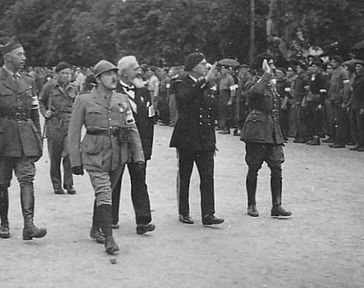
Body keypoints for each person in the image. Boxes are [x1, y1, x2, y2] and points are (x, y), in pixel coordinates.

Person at [68, 60, 145, 254]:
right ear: (98, 78)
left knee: (106, 193)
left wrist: (138, 156)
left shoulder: (121, 99)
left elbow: (132, 128)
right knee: (103, 191)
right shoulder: (84, 100)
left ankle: (96, 229)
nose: (114, 78)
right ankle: (109, 239)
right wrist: (75, 161)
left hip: (118, 154)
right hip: (94, 153)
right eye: (108, 74)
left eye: (115, 74)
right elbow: (74, 131)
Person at [169, 52, 224, 226]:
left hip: (205, 137)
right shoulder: (181, 83)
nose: (206, 67)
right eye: (203, 63)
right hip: (187, 136)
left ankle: (208, 214)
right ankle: (183, 211)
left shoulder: (206, 85)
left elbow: (210, 112)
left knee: (207, 175)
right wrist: (204, 82)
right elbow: (186, 99)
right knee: (185, 175)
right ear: (193, 67)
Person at [0, 37, 47, 240]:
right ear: (7, 56)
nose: (24, 58)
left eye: (24, 54)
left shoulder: (29, 82)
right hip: (3, 138)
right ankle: (4, 222)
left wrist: (38, 137)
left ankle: (29, 225)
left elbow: (35, 113)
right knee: (2, 183)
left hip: (26, 137)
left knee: (27, 179)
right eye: (19, 54)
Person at [240, 54, 292, 218]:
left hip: (272, 130)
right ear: (260, 66)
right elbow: (255, 93)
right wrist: (266, 74)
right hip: (257, 130)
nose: (273, 67)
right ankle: (251, 204)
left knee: (277, 168)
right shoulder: (254, 82)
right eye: (269, 64)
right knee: (254, 167)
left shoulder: (270, 84)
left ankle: (276, 205)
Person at [111, 55, 155, 234]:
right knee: (114, 181)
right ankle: (111, 218)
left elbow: (150, 120)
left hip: (138, 146)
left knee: (140, 181)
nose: (139, 70)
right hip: (119, 144)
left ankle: (143, 221)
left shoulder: (143, 91)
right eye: (135, 68)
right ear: (123, 72)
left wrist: (146, 149)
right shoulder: (113, 91)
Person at [39, 62, 77, 194]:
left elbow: (77, 104)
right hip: (54, 124)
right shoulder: (49, 86)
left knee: (68, 154)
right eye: (63, 73)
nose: (66, 76)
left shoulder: (74, 88)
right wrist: (45, 112)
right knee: (55, 156)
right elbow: (41, 101)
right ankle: (56, 184)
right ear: (57, 74)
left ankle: (69, 184)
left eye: (68, 73)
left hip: (68, 123)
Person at [350, 59, 364, 151]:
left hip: (360, 104)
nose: (357, 68)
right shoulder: (356, 77)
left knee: (361, 126)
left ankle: (362, 144)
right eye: (356, 66)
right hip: (354, 103)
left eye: (359, 66)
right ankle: (358, 143)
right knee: (355, 125)